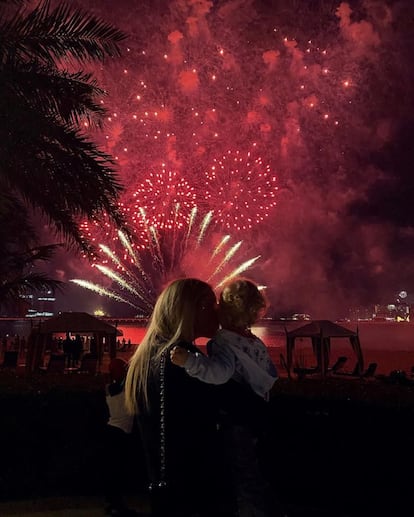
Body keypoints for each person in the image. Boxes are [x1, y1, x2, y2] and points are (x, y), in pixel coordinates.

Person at [125, 278, 237, 517]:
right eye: (209, 305)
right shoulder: (184, 359)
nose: (217, 312)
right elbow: (227, 409)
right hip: (194, 485)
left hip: (165, 484)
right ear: (189, 311)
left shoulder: (150, 357)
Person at [170, 277, 278, 517]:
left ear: (226, 312)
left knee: (240, 475)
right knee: (254, 473)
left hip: (236, 423)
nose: (214, 309)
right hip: (257, 417)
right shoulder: (256, 343)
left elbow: (219, 374)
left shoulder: (223, 342)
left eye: (218, 304)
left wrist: (191, 361)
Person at [103, 358, 138, 517]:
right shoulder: (127, 388)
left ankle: (114, 503)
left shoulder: (109, 388)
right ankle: (117, 505)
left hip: (113, 431)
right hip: (120, 432)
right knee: (117, 471)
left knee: (113, 471)